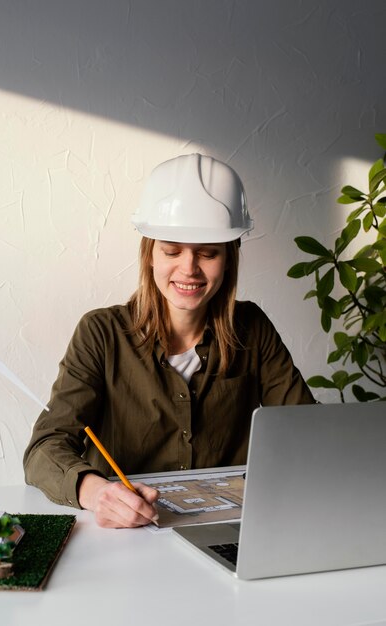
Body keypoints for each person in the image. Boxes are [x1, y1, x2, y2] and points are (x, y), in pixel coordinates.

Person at [23, 153, 315, 529]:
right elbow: (44, 449)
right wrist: (99, 493)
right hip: (129, 536)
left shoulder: (253, 328)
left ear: (229, 258)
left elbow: (305, 431)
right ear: (149, 254)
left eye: (207, 253)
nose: (189, 269)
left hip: (228, 531)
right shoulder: (100, 332)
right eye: (172, 251)